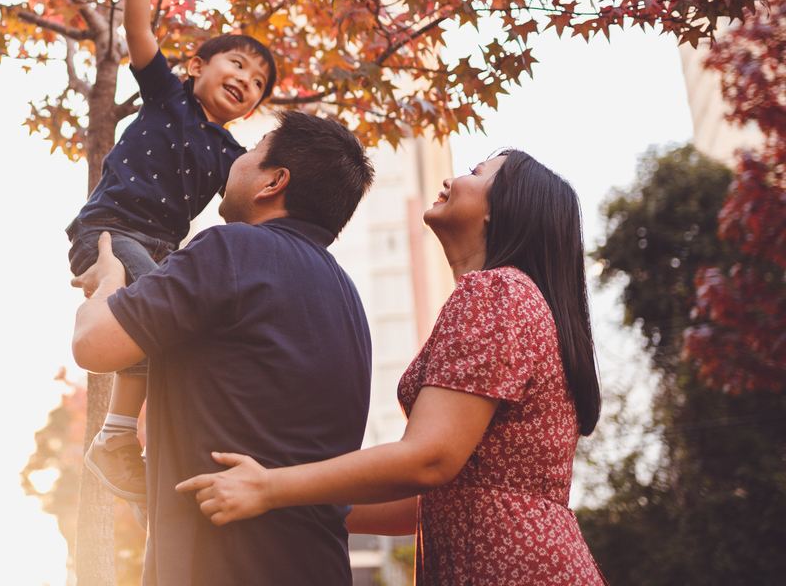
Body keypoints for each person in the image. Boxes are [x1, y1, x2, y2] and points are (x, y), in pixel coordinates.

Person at [176, 150, 609, 586]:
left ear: (501, 208)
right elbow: (425, 501)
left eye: (475, 173)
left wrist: (269, 487)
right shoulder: (513, 298)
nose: (451, 180)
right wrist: (286, 506)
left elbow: (429, 459)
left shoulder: (496, 291)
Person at [72, 111, 376, 586]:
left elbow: (93, 345)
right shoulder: (347, 297)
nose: (236, 160)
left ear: (272, 182)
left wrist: (111, 278)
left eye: (252, 150)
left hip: (222, 566)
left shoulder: (232, 249)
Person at [66, 0, 276, 509]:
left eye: (258, 84)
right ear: (197, 67)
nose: (246, 81)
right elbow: (138, 30)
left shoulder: (232, 155)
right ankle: (113, 438)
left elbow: (252, 204)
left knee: (175, 337)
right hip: (109, 230)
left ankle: (141, 452)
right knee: (153, 316)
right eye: (237, 64)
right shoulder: (168, 97)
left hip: (161, 249)